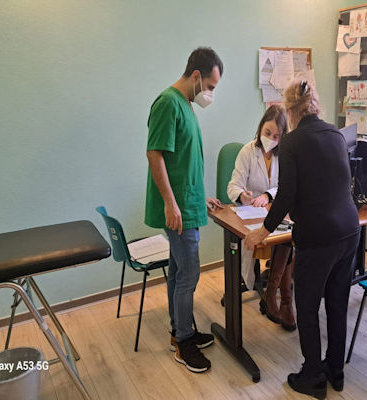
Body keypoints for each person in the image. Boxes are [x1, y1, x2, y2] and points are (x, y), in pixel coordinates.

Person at [245, 81, 360, 399]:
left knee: (307, 308)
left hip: (319, 238)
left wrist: (263, 231)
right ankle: (335, 371)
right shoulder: (336, 134)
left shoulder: (293, 142)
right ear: (315, 104)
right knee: (336, 304)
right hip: (350, 230)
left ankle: (313, 377)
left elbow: (286, 195)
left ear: (291, 111)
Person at [145, 47, 224, 373]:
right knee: (189, 274)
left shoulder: (187, 105)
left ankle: (181, 329)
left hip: (188, 204)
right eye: (211, 86)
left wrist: (199, 197)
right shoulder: (168, 103)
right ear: (196, 76)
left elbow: (184, 163)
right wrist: (171, 203)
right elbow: (155, 154)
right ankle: (183, 341)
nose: (211, 93)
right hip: (178, 211)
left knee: (179, 272)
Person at [226, 105, 296, 331]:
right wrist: (243, 196)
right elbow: (233, 185)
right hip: (249, 214)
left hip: (275, 211)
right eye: (267, 133)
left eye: (276, 136)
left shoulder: (284, 154)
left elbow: (285, 185)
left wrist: (267, 195)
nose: (271, 139)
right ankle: (272, 293)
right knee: (269, 240)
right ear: (260, 129)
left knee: (287, 238)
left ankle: (277, 295)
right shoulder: (247, 152)